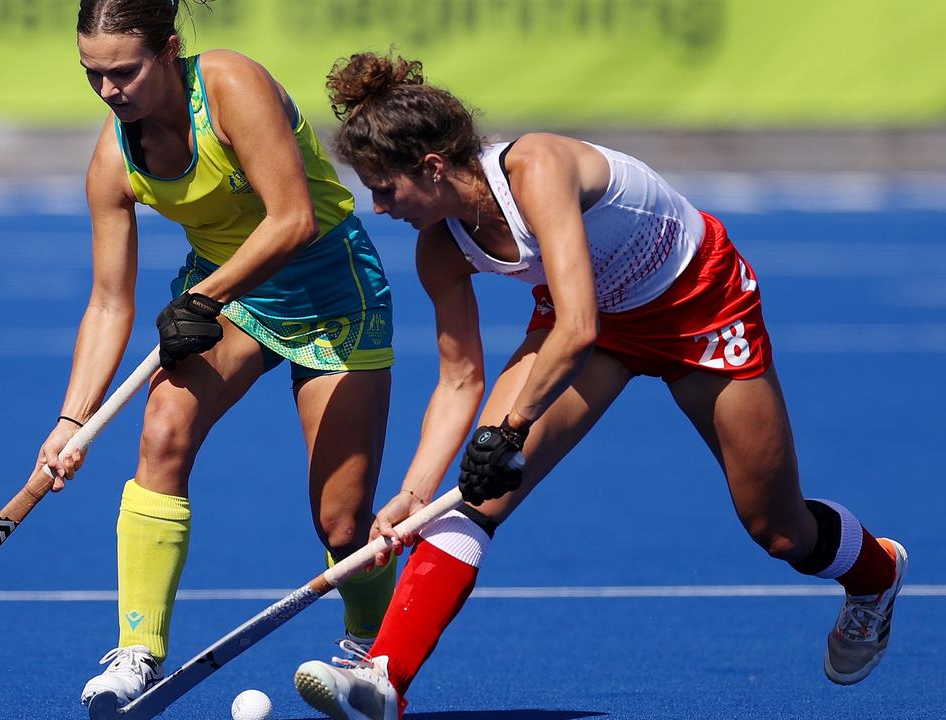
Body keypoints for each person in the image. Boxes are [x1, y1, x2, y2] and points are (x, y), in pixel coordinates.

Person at [292, 53, 909, 720]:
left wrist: (507, 431)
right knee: (472, 501)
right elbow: (459, 377)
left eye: (385, 189)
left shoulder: (537, 168)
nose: (378, 208)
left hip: (698, 308)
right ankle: (387, 677)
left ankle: (875, 572)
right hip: (590, 323)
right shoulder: (439, 248)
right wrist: (412, 496)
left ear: (434, 168)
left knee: (780, 532)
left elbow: (578, 325)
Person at [39, 3, 400, 709]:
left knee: (342, 523)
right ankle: (137, 651)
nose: (111, 91)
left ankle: (370, 653)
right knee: (162, 431)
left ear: (170, 49)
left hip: (334, 297)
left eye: (125, 71)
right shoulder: (114, 161)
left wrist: (200, 300)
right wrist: (71, 420)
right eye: (94, 75)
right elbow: (109, 303)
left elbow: (292, 217)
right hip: (233, 301)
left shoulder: (231, 85)